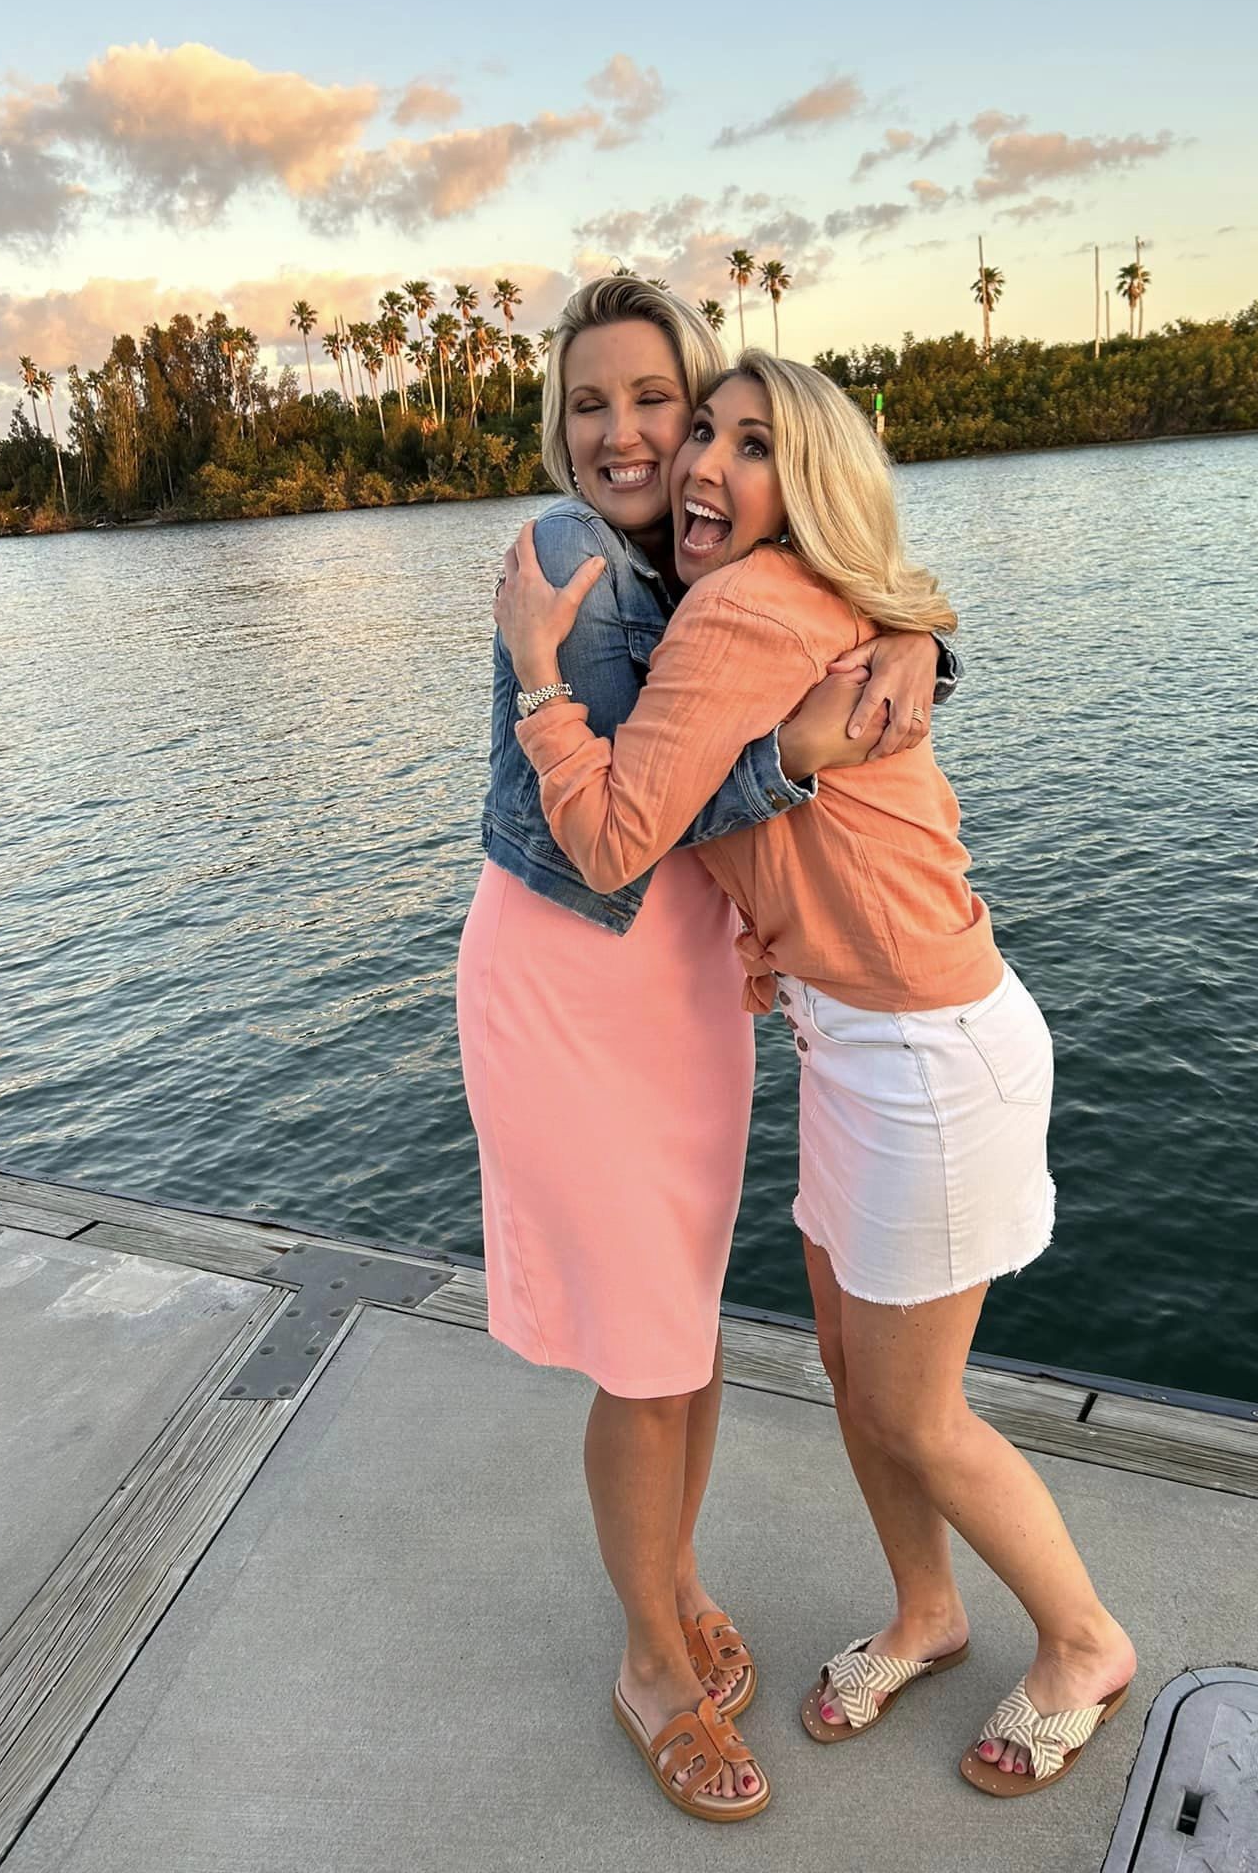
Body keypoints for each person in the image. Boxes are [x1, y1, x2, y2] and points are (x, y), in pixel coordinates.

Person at [496, 348, 1137, 1806]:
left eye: (752, 446)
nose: (704, 464)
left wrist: (540, 676)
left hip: (922, 1054)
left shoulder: (735, 608)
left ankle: (1083, 1642)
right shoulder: (789, 597)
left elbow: (612, 842)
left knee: (917, 1410)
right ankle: (928, 1612)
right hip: (853, 1038)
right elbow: (798, 755)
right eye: (707, 433)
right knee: (854, 1373)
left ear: (809, 487)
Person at [457, 280, 952, 1823]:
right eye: (589, 404)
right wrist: (800, 749)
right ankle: (647, 1662)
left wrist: (917, 641)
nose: (624, 435)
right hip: (573, 979)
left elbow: (824, 615)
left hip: (681, 987)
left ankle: (669, 1578)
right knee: (642, 1349)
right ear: (560, 428)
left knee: (683, 1328)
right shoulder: (571, 559)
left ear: (699, 413)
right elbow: (631, 825)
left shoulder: (698, 557)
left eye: (652, 401)